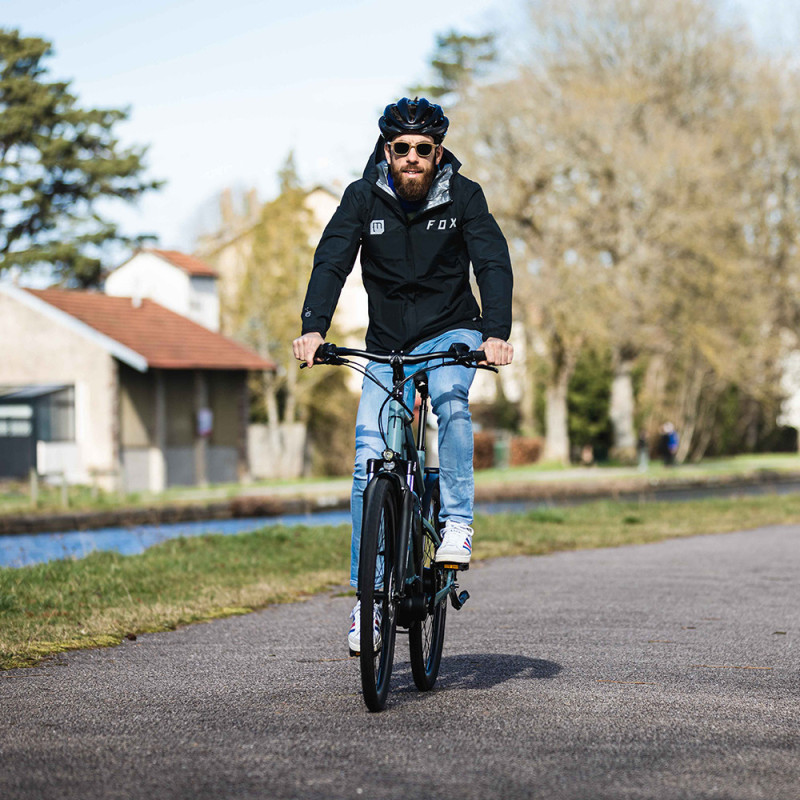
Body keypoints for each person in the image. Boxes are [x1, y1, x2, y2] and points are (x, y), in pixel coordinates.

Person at [292, 97, 514, 652]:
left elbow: (491, 259)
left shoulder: (464, 195)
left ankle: (457, 522)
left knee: (451, 400)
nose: (412, 158)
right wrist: (314, 328)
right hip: (388, 344)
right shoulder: (362, 196)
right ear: (386, 150)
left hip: (452, 331)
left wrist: (496, 332)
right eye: (401, 149)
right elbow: (332, 259)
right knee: (369, 458)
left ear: (438, 152)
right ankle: (367, 602)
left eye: (423, 149)